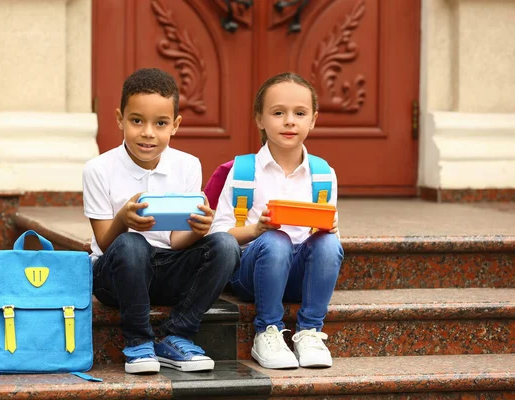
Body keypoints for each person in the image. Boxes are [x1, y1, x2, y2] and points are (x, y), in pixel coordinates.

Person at [83, 68, 240, 374]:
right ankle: (138, 341)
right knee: (132, 244)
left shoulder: (187, 165)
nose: (148, 133)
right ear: (119, 119)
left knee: (226, 244)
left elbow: (175, 241)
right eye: (136, 121)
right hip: (115, 274)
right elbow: (104, 242)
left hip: (167, 266)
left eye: (161, 123)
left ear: (175, 125)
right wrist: (123, 219)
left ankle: (176, 335)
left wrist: (198, 230)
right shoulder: (98, 169)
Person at [210, 72, 344, 369]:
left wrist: (328, 228)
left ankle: (309, 331)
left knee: (328, 241)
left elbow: (326, 240)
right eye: (278, 113)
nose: (289, 121)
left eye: (300, 113)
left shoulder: (322, 173)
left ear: (313, 120)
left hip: (299, 275)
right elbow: (218, 235)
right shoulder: (244, 171)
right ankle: (266, 331)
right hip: (252, 272)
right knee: (275, 239)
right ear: (259, 119)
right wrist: (257, 229)